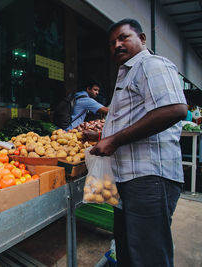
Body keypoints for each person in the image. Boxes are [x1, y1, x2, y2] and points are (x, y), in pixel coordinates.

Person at [86, 19, 187, 266]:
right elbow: (132, 119)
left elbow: (174, 109)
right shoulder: (127, 75)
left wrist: (115, 139)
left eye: (123, 38)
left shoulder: (150, 64)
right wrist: (102, 137)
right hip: (129, 179)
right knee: (129, 252)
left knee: (148, 256)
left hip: (149, 177)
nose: (117, 45)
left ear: (142, 39)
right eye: (112, 43)